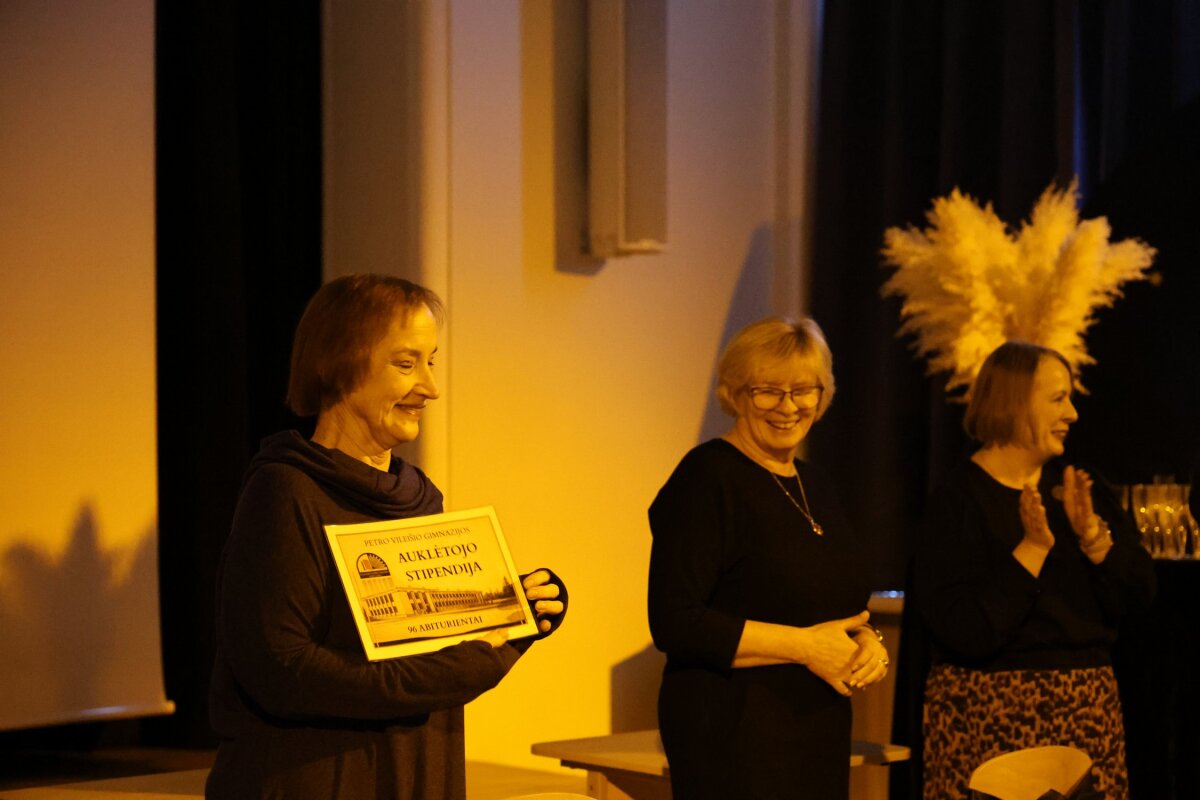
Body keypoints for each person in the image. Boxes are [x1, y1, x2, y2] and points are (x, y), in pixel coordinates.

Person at [205, 274, 566, 799]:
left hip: (419, 771)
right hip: (314, 781)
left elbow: (435, 653)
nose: (431, 387)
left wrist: (516, 616)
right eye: (405, 364)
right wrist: (471, 665)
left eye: (431, 361)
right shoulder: (286, 492)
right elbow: (282, 670)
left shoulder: (419, 497)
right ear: (339, 366)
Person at [647, 316, 889, 800]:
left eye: (803, 390)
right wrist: (806, 647)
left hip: (817, 727)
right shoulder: (706, 477)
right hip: (732, 733)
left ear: (822, 395)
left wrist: (867, 641)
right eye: (768, 392)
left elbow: (828, 602)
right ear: (736, 393)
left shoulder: (817, 484)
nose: (788, 406)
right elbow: (675, 622)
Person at [914, 341, 1155, 799]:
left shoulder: (1079, 490)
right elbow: (962, 629)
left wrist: (1094, 538)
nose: (1073, 414)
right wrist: (1032, 549)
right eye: (1058, 398)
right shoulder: (958, 501)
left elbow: (1139, 597)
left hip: (1085, 710)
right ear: (1013, 402)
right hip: (988, 716)